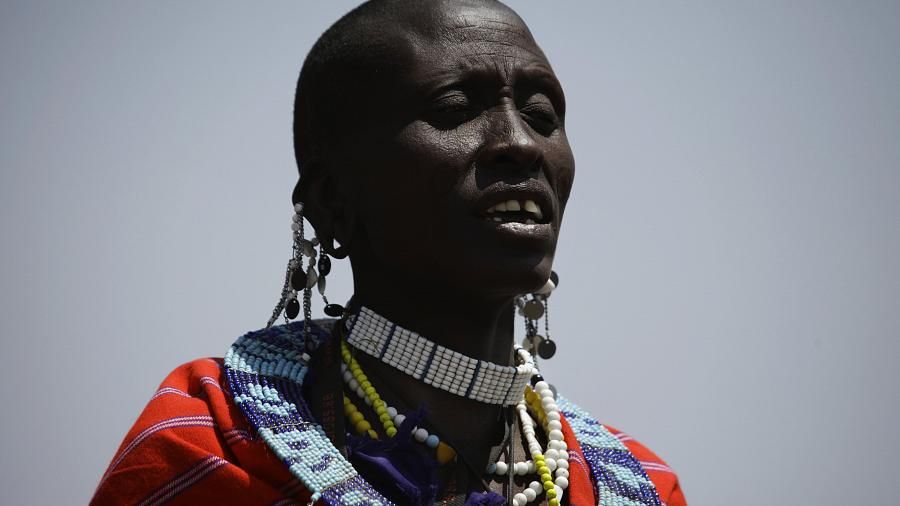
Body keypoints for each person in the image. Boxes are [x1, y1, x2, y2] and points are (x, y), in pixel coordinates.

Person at [92, 1, 687, 505]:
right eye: (453, 109)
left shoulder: (640, 487)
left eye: (541, 115)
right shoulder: (211, 442)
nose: (520, 143)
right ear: (332, 200)